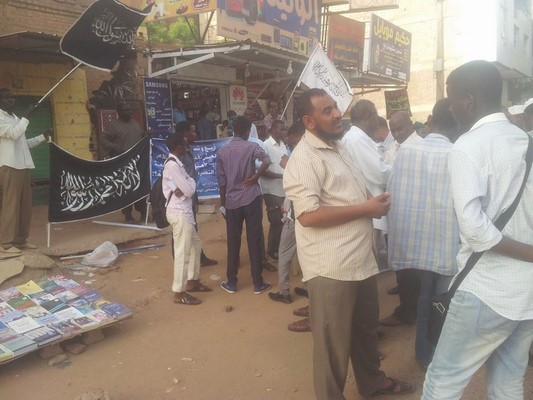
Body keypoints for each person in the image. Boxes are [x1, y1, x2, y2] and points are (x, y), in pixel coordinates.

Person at [283, 88, 414, 399]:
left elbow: (354, 188)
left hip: (360, 261)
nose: (336, 114)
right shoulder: (304, 158)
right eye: (326, 111)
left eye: (335, 107)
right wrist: (366, 209)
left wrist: (372, 202)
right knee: (333, 345)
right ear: (309, 121)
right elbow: (308, 215)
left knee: (365, 332)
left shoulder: (339, 146)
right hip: (331, 268)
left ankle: (372, 383)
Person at [422, 60, 533, 399]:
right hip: (528, 293)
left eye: (452, 99)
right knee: (508, 381)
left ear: (468, 100)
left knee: (442, 382)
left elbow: (474, 228)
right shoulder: (524, 140)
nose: (450, 108)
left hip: (488, 290)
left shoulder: (468, 145)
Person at [386, 98, 460, 371]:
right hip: (447, 243)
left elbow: (394, 192)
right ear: (456, 125)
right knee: (444, 302)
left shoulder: (407, 151)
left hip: (418, 242)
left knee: (425, 297)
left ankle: (423, 353)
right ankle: (439, 356)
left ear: (430, 120)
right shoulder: (457, 153)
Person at [216, 116, 272, 294]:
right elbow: (267, 160)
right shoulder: (252, 146)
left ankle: (231, 282)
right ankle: (258, 283)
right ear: (248, 131)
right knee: (254, 240)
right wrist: (255, 177)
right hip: (251, 197)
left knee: (233, 241)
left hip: (232, 202)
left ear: (233, 130)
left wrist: (223, 205)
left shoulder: (222, 151)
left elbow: (222, 181)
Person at [380, 110, 423, 326]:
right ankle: (406, 297)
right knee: (400, 261)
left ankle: (408, 311)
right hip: (395, 213)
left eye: (400, 129)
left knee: (410, 266)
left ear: (411, 125)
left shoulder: (420, 148)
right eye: (393, 130)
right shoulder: (395, 147)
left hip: (411, 216)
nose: (396, 134)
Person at [0, 88, 51, 253]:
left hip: (23, 166)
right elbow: (14, 134)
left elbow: (23, 144)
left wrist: (42, 137)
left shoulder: (15, 118)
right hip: (9, 166)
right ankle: (6, 244)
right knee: (10, 206)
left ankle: (21, 240)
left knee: (25, 207)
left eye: (12, 97)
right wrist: (27, 116)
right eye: (6, 98)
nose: (11, 100)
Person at [342, 100, 391, 260]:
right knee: (370, 258)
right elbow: (379, 173)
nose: (377, 123)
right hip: (367, 206)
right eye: (375, 117)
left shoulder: (355, 137)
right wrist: (399, 167)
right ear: (368, 117)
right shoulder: (357, 140)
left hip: (365, 206)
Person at [268, 120, 304, 305]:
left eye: (293, 141)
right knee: (306, 252)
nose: (292, 145)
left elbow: (296, 185)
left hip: (297, 213)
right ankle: (307, 287)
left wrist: (288, 166)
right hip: (304, 211)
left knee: (284, 252)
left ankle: (284, 292)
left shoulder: (299, 155)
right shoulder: (310, 153)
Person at [175, 121, 217, 267]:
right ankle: (183, 262)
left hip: (191, 196)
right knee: (182, 231)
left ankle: (198, 256)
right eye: (192, 132)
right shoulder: (179, 154)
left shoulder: (187, 150)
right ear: (185, 134)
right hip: (183, 199)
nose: (195, 134)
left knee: (193, 228)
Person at [100, 101, 147, 223]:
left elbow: (138, 137)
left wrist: (145, 135)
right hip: (122, 163)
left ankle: (143, 213)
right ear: (119, 112)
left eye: (130, 109)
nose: (130, 112)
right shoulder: (113, 125)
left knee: (140, 186)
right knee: (125, 189)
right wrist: (116, 147)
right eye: (126, 110)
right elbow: (103, 140)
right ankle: (128, 215)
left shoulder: (135, 123)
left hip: (136, 162)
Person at [259, 120, 288, 261]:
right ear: (273, 130)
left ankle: (277, 248)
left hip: (284, 189)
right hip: (271, 189)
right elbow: (262, 170)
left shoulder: (283, 145)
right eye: (281, 129)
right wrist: (282, 176)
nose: (284, 132)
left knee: (284, 219)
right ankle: (272, 249)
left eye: (285, 129)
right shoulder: (265, 146)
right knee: (277, 220)